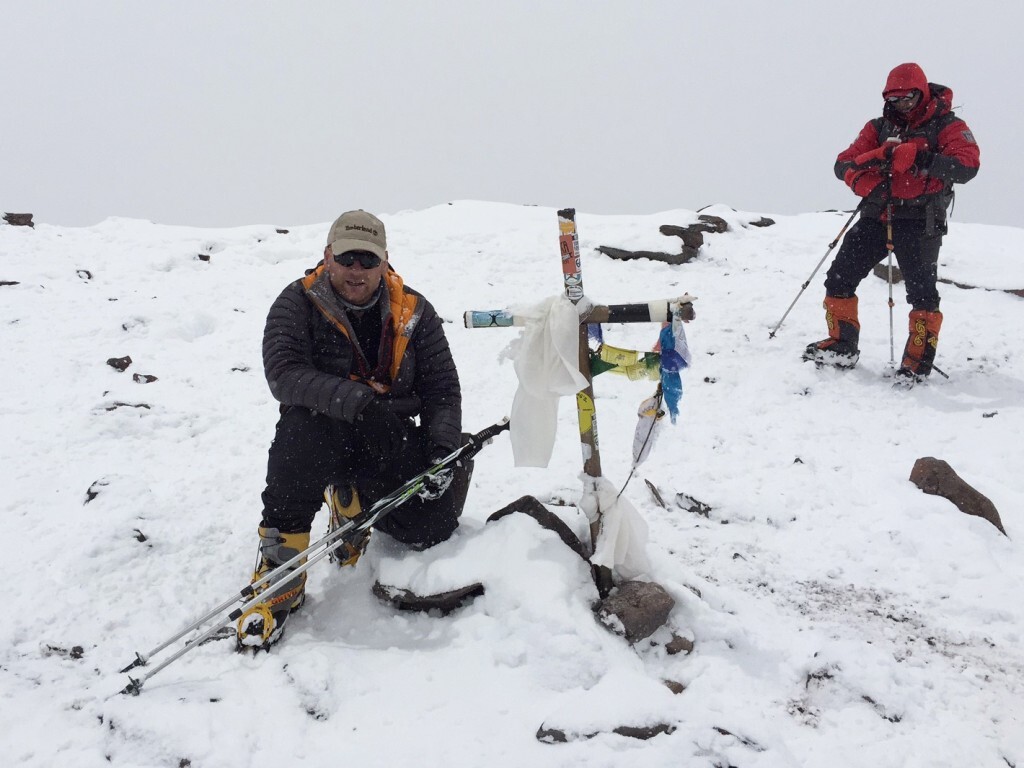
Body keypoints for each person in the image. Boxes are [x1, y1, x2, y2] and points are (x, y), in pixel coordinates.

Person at [237, 210, 470, 650]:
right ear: (327, 256)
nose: (357, 270)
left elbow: (443, 391)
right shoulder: (296, 302)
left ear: (385, 262)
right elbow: (284, 374)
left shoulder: (415, 312)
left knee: (430, 527)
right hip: (323, 435)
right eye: (347, 258)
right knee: (299, 431)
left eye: (368, 259)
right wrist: (360, 404)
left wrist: (441, 450)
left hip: (389, 436)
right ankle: (280, 569)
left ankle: (351, 504)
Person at [804, 62, 980, 383]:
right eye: (894, 99)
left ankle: (916, 362)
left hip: (919, 220)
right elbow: (843, 162)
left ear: (922, 92)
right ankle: (842, 344)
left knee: (922, 295)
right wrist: (859, 179)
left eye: (908, 98)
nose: (901, 105)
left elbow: (966, 167)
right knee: (839, 280)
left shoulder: (948, 126)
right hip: (876, 214)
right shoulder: (878, 127)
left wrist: (921, 158)